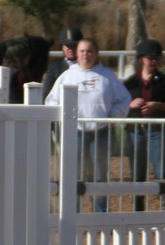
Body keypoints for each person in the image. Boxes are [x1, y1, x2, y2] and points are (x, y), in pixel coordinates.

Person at [45, 37, 130, 213]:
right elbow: (51, 100)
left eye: (90, 51)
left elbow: (124, 99)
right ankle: (72, 213)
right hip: (75, 133)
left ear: (96, 54)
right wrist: (63, 118)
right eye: (82, 51)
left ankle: (100, 213)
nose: (86, 55)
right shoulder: (67, 76)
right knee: (74, 174)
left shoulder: (107, 76)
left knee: (100, 175)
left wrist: (114, 116)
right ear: (77, 53)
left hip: (101, 133)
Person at [123, 39, 165, 211]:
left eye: (156, 58)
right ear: (141, 59)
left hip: (157, 131)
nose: (154, 61)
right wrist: (131, 105)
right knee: (137, 173)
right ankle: (138, 210)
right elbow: (120, 105)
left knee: (162, 171)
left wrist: (157, 105)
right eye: (150, 57)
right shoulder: (129, 83)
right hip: (135, 131)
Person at [42, 26, 81, 99]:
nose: (71, 49)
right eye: (68, 46)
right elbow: (47, 95)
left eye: (74, 46)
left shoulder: (89, 68)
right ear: (62, 47)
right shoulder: (53, 69)